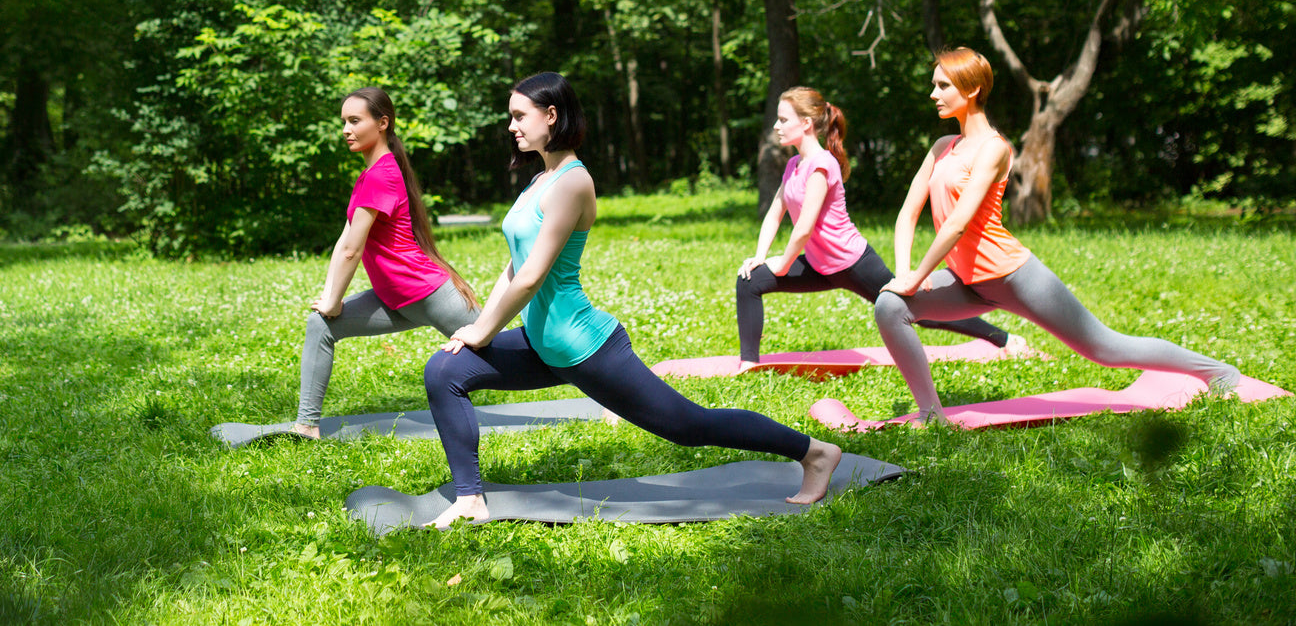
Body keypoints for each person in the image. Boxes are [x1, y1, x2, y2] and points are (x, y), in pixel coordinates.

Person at [423, 72, 841, 527]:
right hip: (545, 345)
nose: (511, 126)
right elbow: (513, 266)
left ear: (551, 115)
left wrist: (483, 330)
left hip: (585, 348)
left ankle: (815, 452)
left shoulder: (573, 182)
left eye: (520, 115)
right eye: (511, 117)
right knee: (445, 369)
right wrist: (480, 329)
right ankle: (470, 500)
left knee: (690, 427)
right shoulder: (538, 180)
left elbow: (531, 277)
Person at [874, 48, 1240, 423]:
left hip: (1013, 276)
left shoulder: (993, 148)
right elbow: (907, 213)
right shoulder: (941, 148)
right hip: (966, 281)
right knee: (890, 306)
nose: (933, 93)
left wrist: (918, 276)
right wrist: (903, 273)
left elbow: (957, 224)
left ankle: (1218, 371)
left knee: (1106, 348)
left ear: (972, 89)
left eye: (942, 85)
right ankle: (931, 414)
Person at [734, 87, 1019, 371]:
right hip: (819, 265)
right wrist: (760, 256)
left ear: (806, 123)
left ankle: (1004, 339)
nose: (776, 126)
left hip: (853, 263)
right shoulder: (794, 165)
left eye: (783, 120)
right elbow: (775, 213)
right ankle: (749, 363)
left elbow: (804, 228)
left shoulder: (822, 165)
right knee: (750, 279)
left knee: (919, 310)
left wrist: (782, 264)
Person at [292, 87, 480, 439]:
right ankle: (306, 425)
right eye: (344, 122)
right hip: (394, 299)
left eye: (354, 121)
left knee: (502, 354)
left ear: (382, 123)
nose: (346, 129)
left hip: (427, 295)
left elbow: (352, 250)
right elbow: (345, 242)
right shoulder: (371, 175)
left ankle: (606, 390)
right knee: (321, 326)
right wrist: (329, 298)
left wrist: (335, 300)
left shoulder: (380, 175)